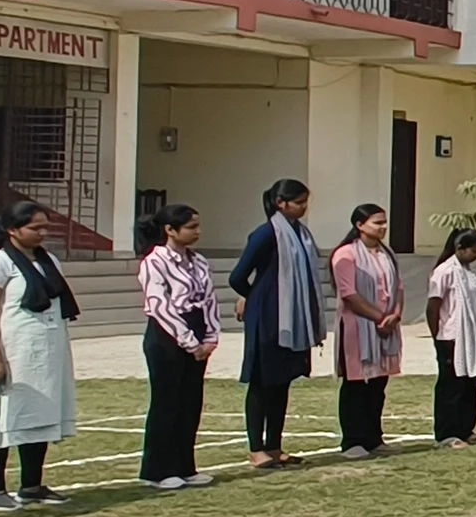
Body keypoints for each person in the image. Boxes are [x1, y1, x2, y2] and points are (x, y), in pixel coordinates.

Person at [0, 201, 81, 508]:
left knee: (39, 414)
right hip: (10, 351)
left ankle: (32, 484)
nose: (42, 233)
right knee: (0, 417)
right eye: (35, 227)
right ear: (12, 230)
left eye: (46, 227)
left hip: (45, 351)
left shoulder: (49, 261)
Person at [226, 180, 331, 467]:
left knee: (281, 382)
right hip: (269, 318)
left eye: (305, 202)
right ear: (281, 203)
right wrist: (255, 297)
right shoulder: (266, 234)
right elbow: (237, 277)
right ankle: (256, 448)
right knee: (262, 382)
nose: (303, 208)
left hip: (294, 319)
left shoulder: (302, 234)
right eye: (298, 202)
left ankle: (274, 445)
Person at [137, 201, 218, 488]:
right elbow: (160, 306)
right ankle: (157, 470)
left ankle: (185, 465)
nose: (198, 232)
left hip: (197, 330)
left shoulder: (199, 261)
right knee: (166, 401)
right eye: (191, 227)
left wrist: (210, 337)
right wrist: (188, 341)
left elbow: (209, 299)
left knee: (190, 401)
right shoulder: (154, 262)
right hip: (167, 336)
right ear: (170, 230)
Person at [333, 204, 403, 454]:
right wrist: (380, 317)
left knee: (377, 385)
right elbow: (349, 293)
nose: (383, 227)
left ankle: (374, 438)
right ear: (360, 225)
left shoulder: (387, 254)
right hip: (357, 328)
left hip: (386, 327)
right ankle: (353, 440)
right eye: (377, 222)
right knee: (356, 385)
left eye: (384, 222)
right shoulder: (346, 254)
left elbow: (399, 288)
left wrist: (394, 316)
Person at [427, 222, 476, 448]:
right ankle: (446, 433)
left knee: (469, 384)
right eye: (474, 250)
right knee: (451, 386)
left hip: (471, 336)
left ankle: (465, 429)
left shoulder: (468, 272)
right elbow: (434, 305)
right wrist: (437, 335)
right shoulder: (445, 271)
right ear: (460, 247)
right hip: (451, 337)